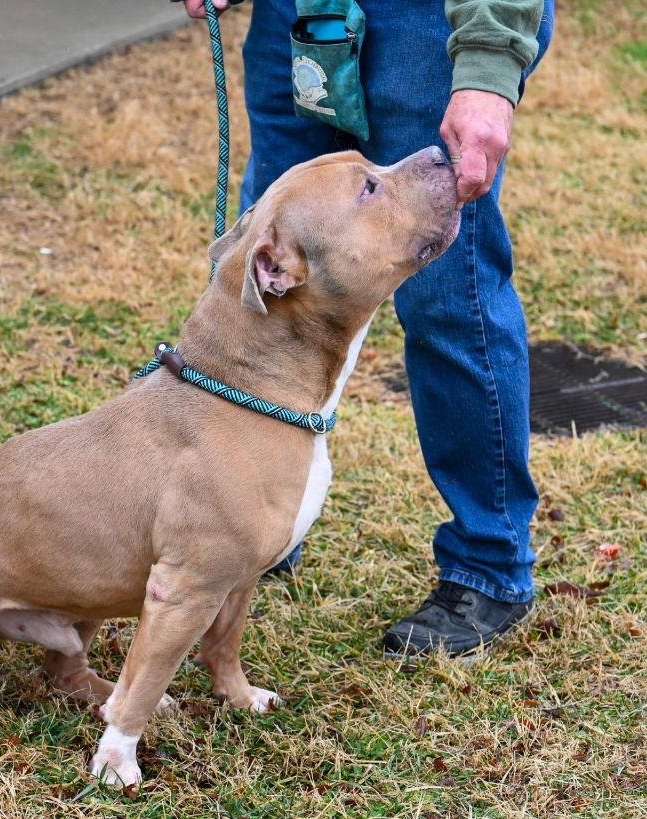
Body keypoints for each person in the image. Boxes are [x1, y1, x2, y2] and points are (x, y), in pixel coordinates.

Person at [179, 0, 555, 660]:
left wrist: (489, 63)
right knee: (268, 276)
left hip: (429, 21)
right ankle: (256, 528)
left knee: (449, 297)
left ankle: (488, 565)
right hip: (296, 14)